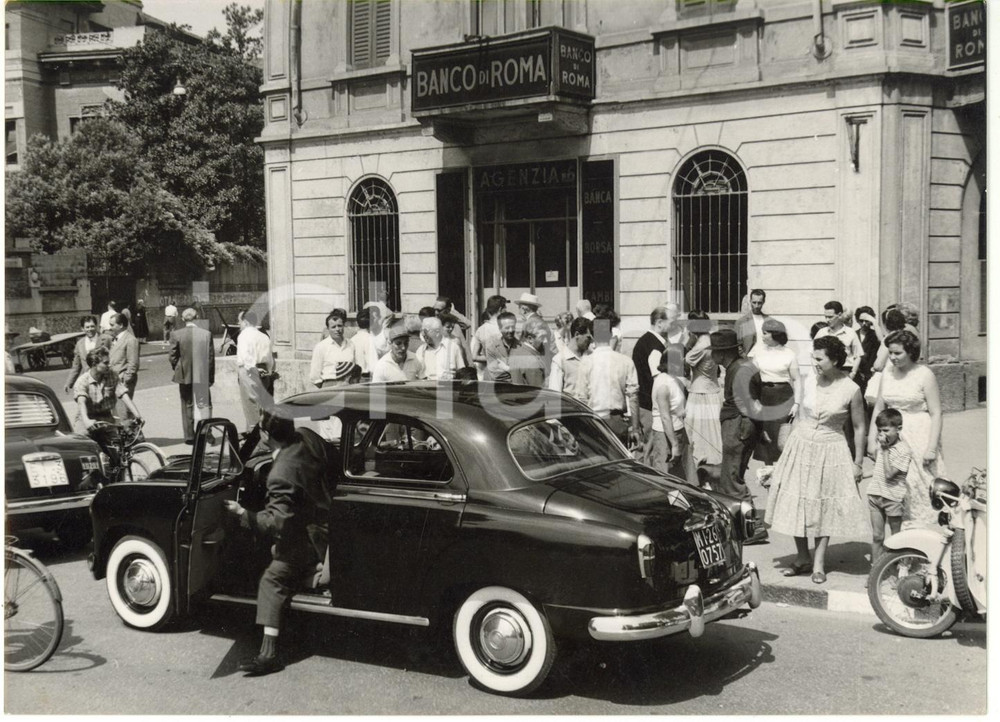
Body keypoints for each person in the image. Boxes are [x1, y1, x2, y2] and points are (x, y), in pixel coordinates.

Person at [223, 409, 336, 677]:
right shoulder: (307, 438)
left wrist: (243, 514)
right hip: (324, 522)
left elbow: (276, 523)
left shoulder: (280, 474)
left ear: (264, 435)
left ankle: (269, 654)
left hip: (307, 540)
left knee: (271, 580)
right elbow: (329, 456)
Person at [764, 335, 870, 583]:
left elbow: (859, 427)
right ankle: (802, 556)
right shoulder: (808, 380)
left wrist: (858, 462)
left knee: (823, 506)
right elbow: (800, 413)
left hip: (831, 450)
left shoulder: (851, 389)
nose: (814, 362)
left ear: (834, 360)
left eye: (820, 358)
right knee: (798, 501)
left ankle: (819, 563)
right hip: (800, 446)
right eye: (813, 357)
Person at [866, 330, 945, 527]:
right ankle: (899, 543)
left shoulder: (924, 374)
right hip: (891, 435)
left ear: (910, 352)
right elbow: (879, 406)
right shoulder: (887, 373)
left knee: (918, 485)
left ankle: (922, 539)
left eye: (898, 353)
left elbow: (936, 413)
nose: (892, 358)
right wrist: (872, 439)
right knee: (893, 486)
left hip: (919, 435)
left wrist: (932, 448)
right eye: (890, 353)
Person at [710, 328, 769, 544]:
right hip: (744, 425)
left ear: (722, 353)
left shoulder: (739, 369)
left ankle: (755, 527)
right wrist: (758, 429)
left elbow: (749, 403)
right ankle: (745, 525)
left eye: (714, 352)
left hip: (737, 425)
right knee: (735, 476)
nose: (711, 356)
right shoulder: (744, 365)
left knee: (731, 479)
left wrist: (750, 427)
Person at [73, 347, 143, 465]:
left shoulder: (112, 375)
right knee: (84, 451)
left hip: (106, 417)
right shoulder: (82, 381)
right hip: (87, 418)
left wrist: (137, 415)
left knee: (117, 451)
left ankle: (118, 477)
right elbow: (81, 402)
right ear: (94, 364)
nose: (109, 365)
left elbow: (123, 394)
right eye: (105, 363)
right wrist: (86, 421)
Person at [576, 318, 640, 447]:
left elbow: (581, 398)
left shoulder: (586, 362)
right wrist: (635, 428)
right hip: (617, 422)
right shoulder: (625, 361)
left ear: (592, 336)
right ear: (611, 335)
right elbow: (633, 396)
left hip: (594, 421)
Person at [751, 318, 801, 465]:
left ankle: (783, 469)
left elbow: (797, 380)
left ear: (775, 335)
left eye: (765, 333)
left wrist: (797, 403)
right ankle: (768, 469)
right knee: (766, 434)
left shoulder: (789, 354)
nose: (763, 336)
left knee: (782, 435)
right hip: (764, 395)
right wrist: (754, 400)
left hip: (783, 396)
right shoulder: (758, 353)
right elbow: (752, 378)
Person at [866, 408, 909, 567]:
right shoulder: (882, 447)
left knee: (896, 537)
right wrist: (864, 474)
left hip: (893, 498)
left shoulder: (903, 450)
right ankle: (875, 571)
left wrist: (884, 450)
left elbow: (890, 474)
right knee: (877, 536)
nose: (881, 434)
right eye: (879, 430)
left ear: (898, 429)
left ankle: (902, 568)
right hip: (875, 495)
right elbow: (880, 468)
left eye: (885, 430)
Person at [649, 354, 698, 485]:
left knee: (684, 475)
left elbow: (674, 406)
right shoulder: (662, 385)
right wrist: (675, 445)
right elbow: (665, 417)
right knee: (666, 476)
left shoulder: (674, 379)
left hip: (679, 430)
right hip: (666, 435)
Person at [169, 308, 215, 444]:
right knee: (204, 404)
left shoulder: (176, 334)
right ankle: (207, 432)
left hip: (184, 375)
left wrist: (178, 368)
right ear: (197, 317)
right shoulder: (206, 334)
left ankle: (189, 436)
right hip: (202, 375)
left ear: (183, 319)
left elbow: (172, 356)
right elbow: (210, 358)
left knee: (187, 404)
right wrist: (210, 377)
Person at [683, 311, 723, 468]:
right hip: (712, 391)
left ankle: (700, 468)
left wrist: (689, 341)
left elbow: (684, 362)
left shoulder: (700, 345)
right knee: (711, 434)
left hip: (700, 394)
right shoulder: (710, 340)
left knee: (699, 436)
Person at [632, 307, 671, 461]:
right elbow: (658, 380)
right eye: (672, 322)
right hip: (650, 405)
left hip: (645, 403)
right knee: (651, 449)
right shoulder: (655, 346)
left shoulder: (648, 341)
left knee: (646, 448)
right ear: (660, 323)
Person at [236, 309, 276, 432]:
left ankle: (256, 439)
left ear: (246, 321)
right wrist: (268, 371)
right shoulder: (264, 336)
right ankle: (253, 436)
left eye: (240, 321)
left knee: (251, 407)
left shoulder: (244, 335)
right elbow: (270, 358)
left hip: (249, 371)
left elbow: (245, 355)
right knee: (261, 406)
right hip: (264, 370)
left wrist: (252, 369)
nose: (239, 324)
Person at [814, 301, 863, 382]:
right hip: (826, 373)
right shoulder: (821, 333)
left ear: (839, 315)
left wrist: (853, 373)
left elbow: (858, 355)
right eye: (826, 317)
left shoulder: (850, 332)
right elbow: (812, 354)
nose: (827, 320)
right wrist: (817, 371)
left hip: (845, 372)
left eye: (830, 317)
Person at [309, 309, 357, 388]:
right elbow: (314, 375)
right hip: (329, 386)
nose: (337, 329)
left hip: (348, 386)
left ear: (343, 326)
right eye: (333, 327)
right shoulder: (321, 347)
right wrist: (327, 387)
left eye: (339, 326)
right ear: (328, 329)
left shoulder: (351, 344)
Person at [548, 317, 592, 398]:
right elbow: (554, 395)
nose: (591, 341)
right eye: (588, 338)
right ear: (577, 335)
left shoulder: (591, 357)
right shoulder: (559, 360)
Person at [108, 312, 140, 418]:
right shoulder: (115, 339)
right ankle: (133, 432)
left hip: (123, 381)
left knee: (123, 412)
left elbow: (133, 363)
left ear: (121, 325)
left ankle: (135, 433)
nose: (110, 327)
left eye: (112, 325)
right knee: (120, 411)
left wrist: (126, 380)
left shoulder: (130, 340)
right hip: (114, 380)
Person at [64, 315, 107, 393]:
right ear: (82, 329)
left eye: (92, 326)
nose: (90, 329)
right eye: (87, 327)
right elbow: (76, 366)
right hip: (88, 381)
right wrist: (69, 383)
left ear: (96, 326)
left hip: (105, 380)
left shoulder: (107, 339)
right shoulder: (80, 344)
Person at [470, 295, 507, 380]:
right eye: (505, 308)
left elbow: (474, 357)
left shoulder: (481, 329)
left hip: (488, 374)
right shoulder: (505, 328)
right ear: (500, 309)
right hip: (504, 374)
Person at [415, 316, 463, 380]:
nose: (423, 334)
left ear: (437, 332)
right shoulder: (421, 350)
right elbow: (416, 374)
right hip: (426, 387)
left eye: (426, 331)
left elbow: (462, 372)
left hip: (447, 387)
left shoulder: (453, 347)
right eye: (422, 331)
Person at [508, 317, 549, 387]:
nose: (545, 341)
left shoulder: (515, 352)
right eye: (542, 337)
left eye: (546, 337)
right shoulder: (534, 361)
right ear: (530, 339)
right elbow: (540, 393)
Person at [853, 305, 881, 400]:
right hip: (856, 375)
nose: (864, 324)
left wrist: (874, 322)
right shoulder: (853, 334)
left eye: (867, 321)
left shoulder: (875, 335)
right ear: (857, 321)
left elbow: (883, 342)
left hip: (871, 375)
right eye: (861, 321)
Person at [483, 311, 519, 382]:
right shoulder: (492, 348)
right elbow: (496, 375)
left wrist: (506, 368)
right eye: (507, 328)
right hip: (499, 389)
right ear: (500, 329)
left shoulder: (522, 347)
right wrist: (516, 373)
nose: (511, 330)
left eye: (513, 327)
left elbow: (526, 373)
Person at [735, 289, 770, 357]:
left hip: (766, 358)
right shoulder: (741, 322)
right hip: (749, 359)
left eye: (759, 303)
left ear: (763, 302)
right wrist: (744, 356)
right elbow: (737, 344)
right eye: (754, 302)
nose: (756, 306)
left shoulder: (769, 320)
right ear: (750, 301)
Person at [871, 307, 907, 373]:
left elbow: (878, 365)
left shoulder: (889, 339)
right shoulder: (907, 337)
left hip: (890, 375)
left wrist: (873, 368)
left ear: (886, 324)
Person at [349, 308, 376, 377]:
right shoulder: (370, 339)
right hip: (367, 377)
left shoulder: (352, 340)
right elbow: (373, 363)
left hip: (354, 377)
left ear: (357, 323)